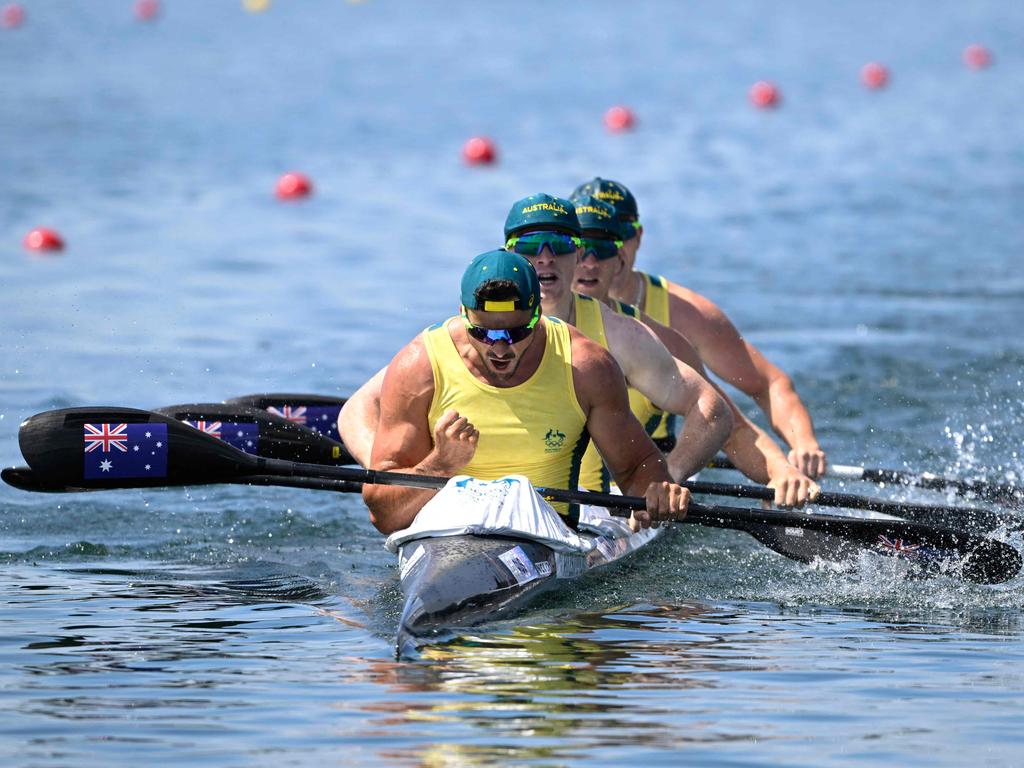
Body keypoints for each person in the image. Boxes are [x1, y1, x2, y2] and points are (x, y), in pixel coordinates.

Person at [345, 195, 734, 496]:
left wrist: (665, 481)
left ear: (578, 255)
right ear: (508, 255)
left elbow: (711, 409)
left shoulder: (617, 336)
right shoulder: (462, 333)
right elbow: (356, 411)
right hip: (462, 510)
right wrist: (392, 478)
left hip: (590, 516)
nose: (545, 258)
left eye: (559, 244)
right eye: (530, 245)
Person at [362, 249, 692, 535]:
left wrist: (656, 493)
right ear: (463, 315)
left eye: (516, 331)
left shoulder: (586, 367)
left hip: (550, 535)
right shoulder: (418, 367)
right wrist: (439, 465)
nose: (501, 348)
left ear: (538, 315)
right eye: (485, 332)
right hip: (446, 533)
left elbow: (637, 469)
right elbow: (383, 514)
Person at [572, 177, 828, 479]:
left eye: (611, 239)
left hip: (654, 461)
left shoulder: (688, 314)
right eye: (583, 242)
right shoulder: (537, 315)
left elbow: (760, 392)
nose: (592, 257)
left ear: (636, 238)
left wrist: (796, 453)